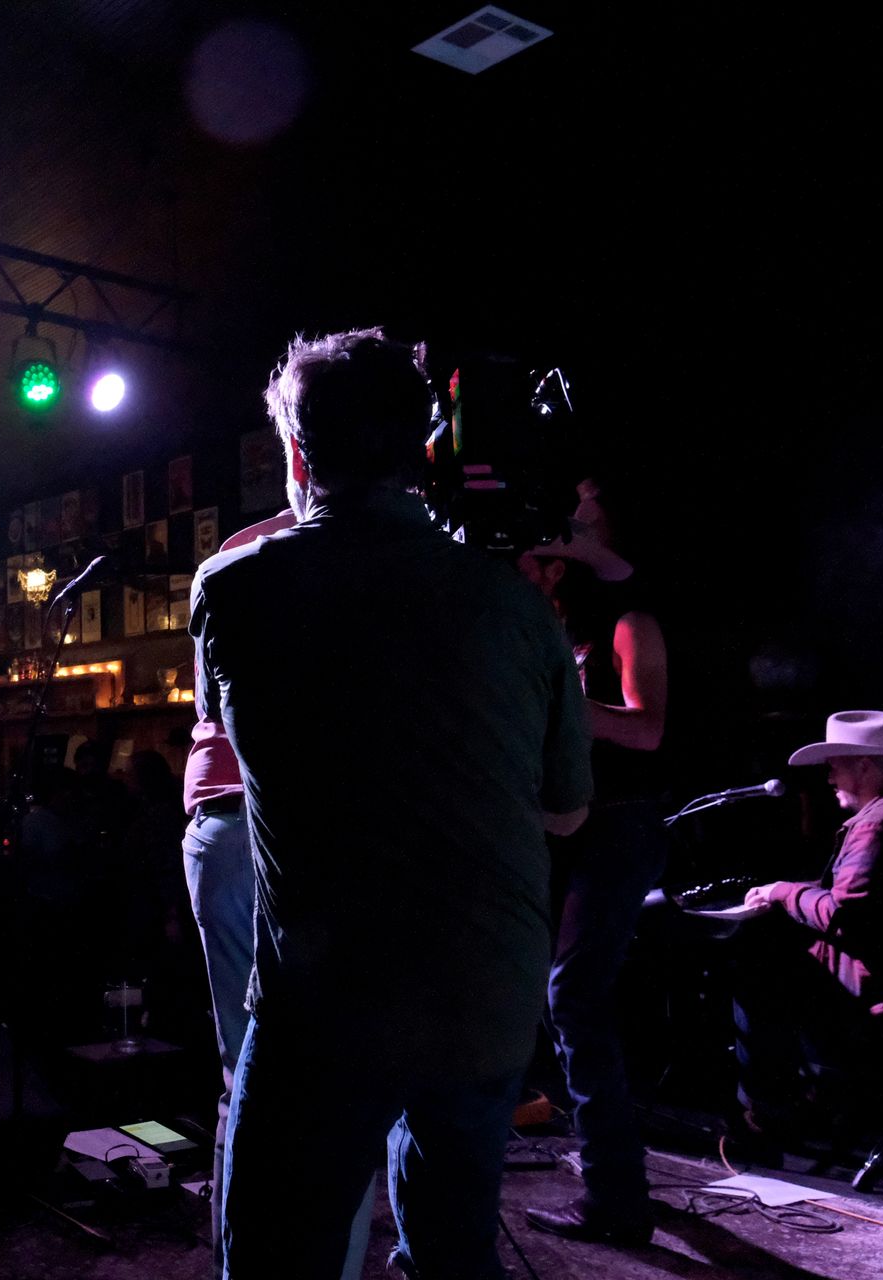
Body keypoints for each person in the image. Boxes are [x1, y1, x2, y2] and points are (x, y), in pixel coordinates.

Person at [192, 328, 592, 1280]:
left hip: (330, 1000)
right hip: (488, 994)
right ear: (423, 452)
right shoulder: (517, 606)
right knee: (455, 1247)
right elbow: (569, 811)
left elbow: (225, 733)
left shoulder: (235, 588)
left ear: (296, 455)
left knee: (276, 1256)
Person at [184, 509, 374, 1280]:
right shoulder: (383, 553)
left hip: (224, 827)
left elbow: (211, 704)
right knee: (343, 1078)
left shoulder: (235, 559)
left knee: (245, 1075)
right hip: (315, 829)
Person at [515, 484, 671, 1247]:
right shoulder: (552, 633)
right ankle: (612, 1169)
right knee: (562, 997)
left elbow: (647, 731)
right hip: (568, 829)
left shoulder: (630, 622)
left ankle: (617, 1196)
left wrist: (563, 706)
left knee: (573, 995)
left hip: (620, 825)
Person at [732, 710, 883, 1146]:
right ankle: (813, 1097)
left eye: (834, 765)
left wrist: (783, 892)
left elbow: (845, 916)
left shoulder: (877, 824)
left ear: (863, 766)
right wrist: (790, 892)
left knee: (756, 968)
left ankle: (772, 1112)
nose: (828, 777)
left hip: (880, 990)